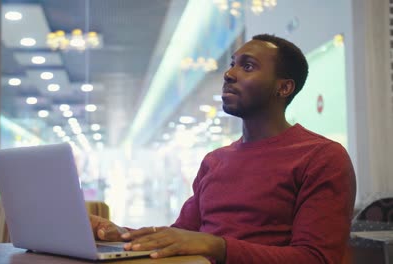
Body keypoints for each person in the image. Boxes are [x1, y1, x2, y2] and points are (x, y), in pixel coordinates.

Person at [89, 34, 356, 264]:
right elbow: (180, 235)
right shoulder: (215, 161)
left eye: (248, 66)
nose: (229, 74)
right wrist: (119, 234)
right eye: (232, 65)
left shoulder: (321, 157)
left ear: (283, 87)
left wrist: (215, 245)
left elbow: (315, 258)